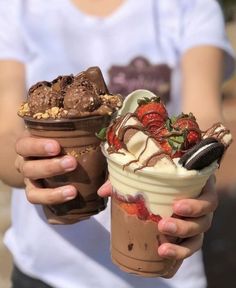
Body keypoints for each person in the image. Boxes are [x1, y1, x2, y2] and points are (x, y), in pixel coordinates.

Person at [0, 0, 234, 287]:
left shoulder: (189, 5)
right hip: (46, 269)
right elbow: (6, 132)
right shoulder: (18, 7)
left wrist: (197, 181)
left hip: (165, 267)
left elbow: (202, 119)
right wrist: (27, 166)